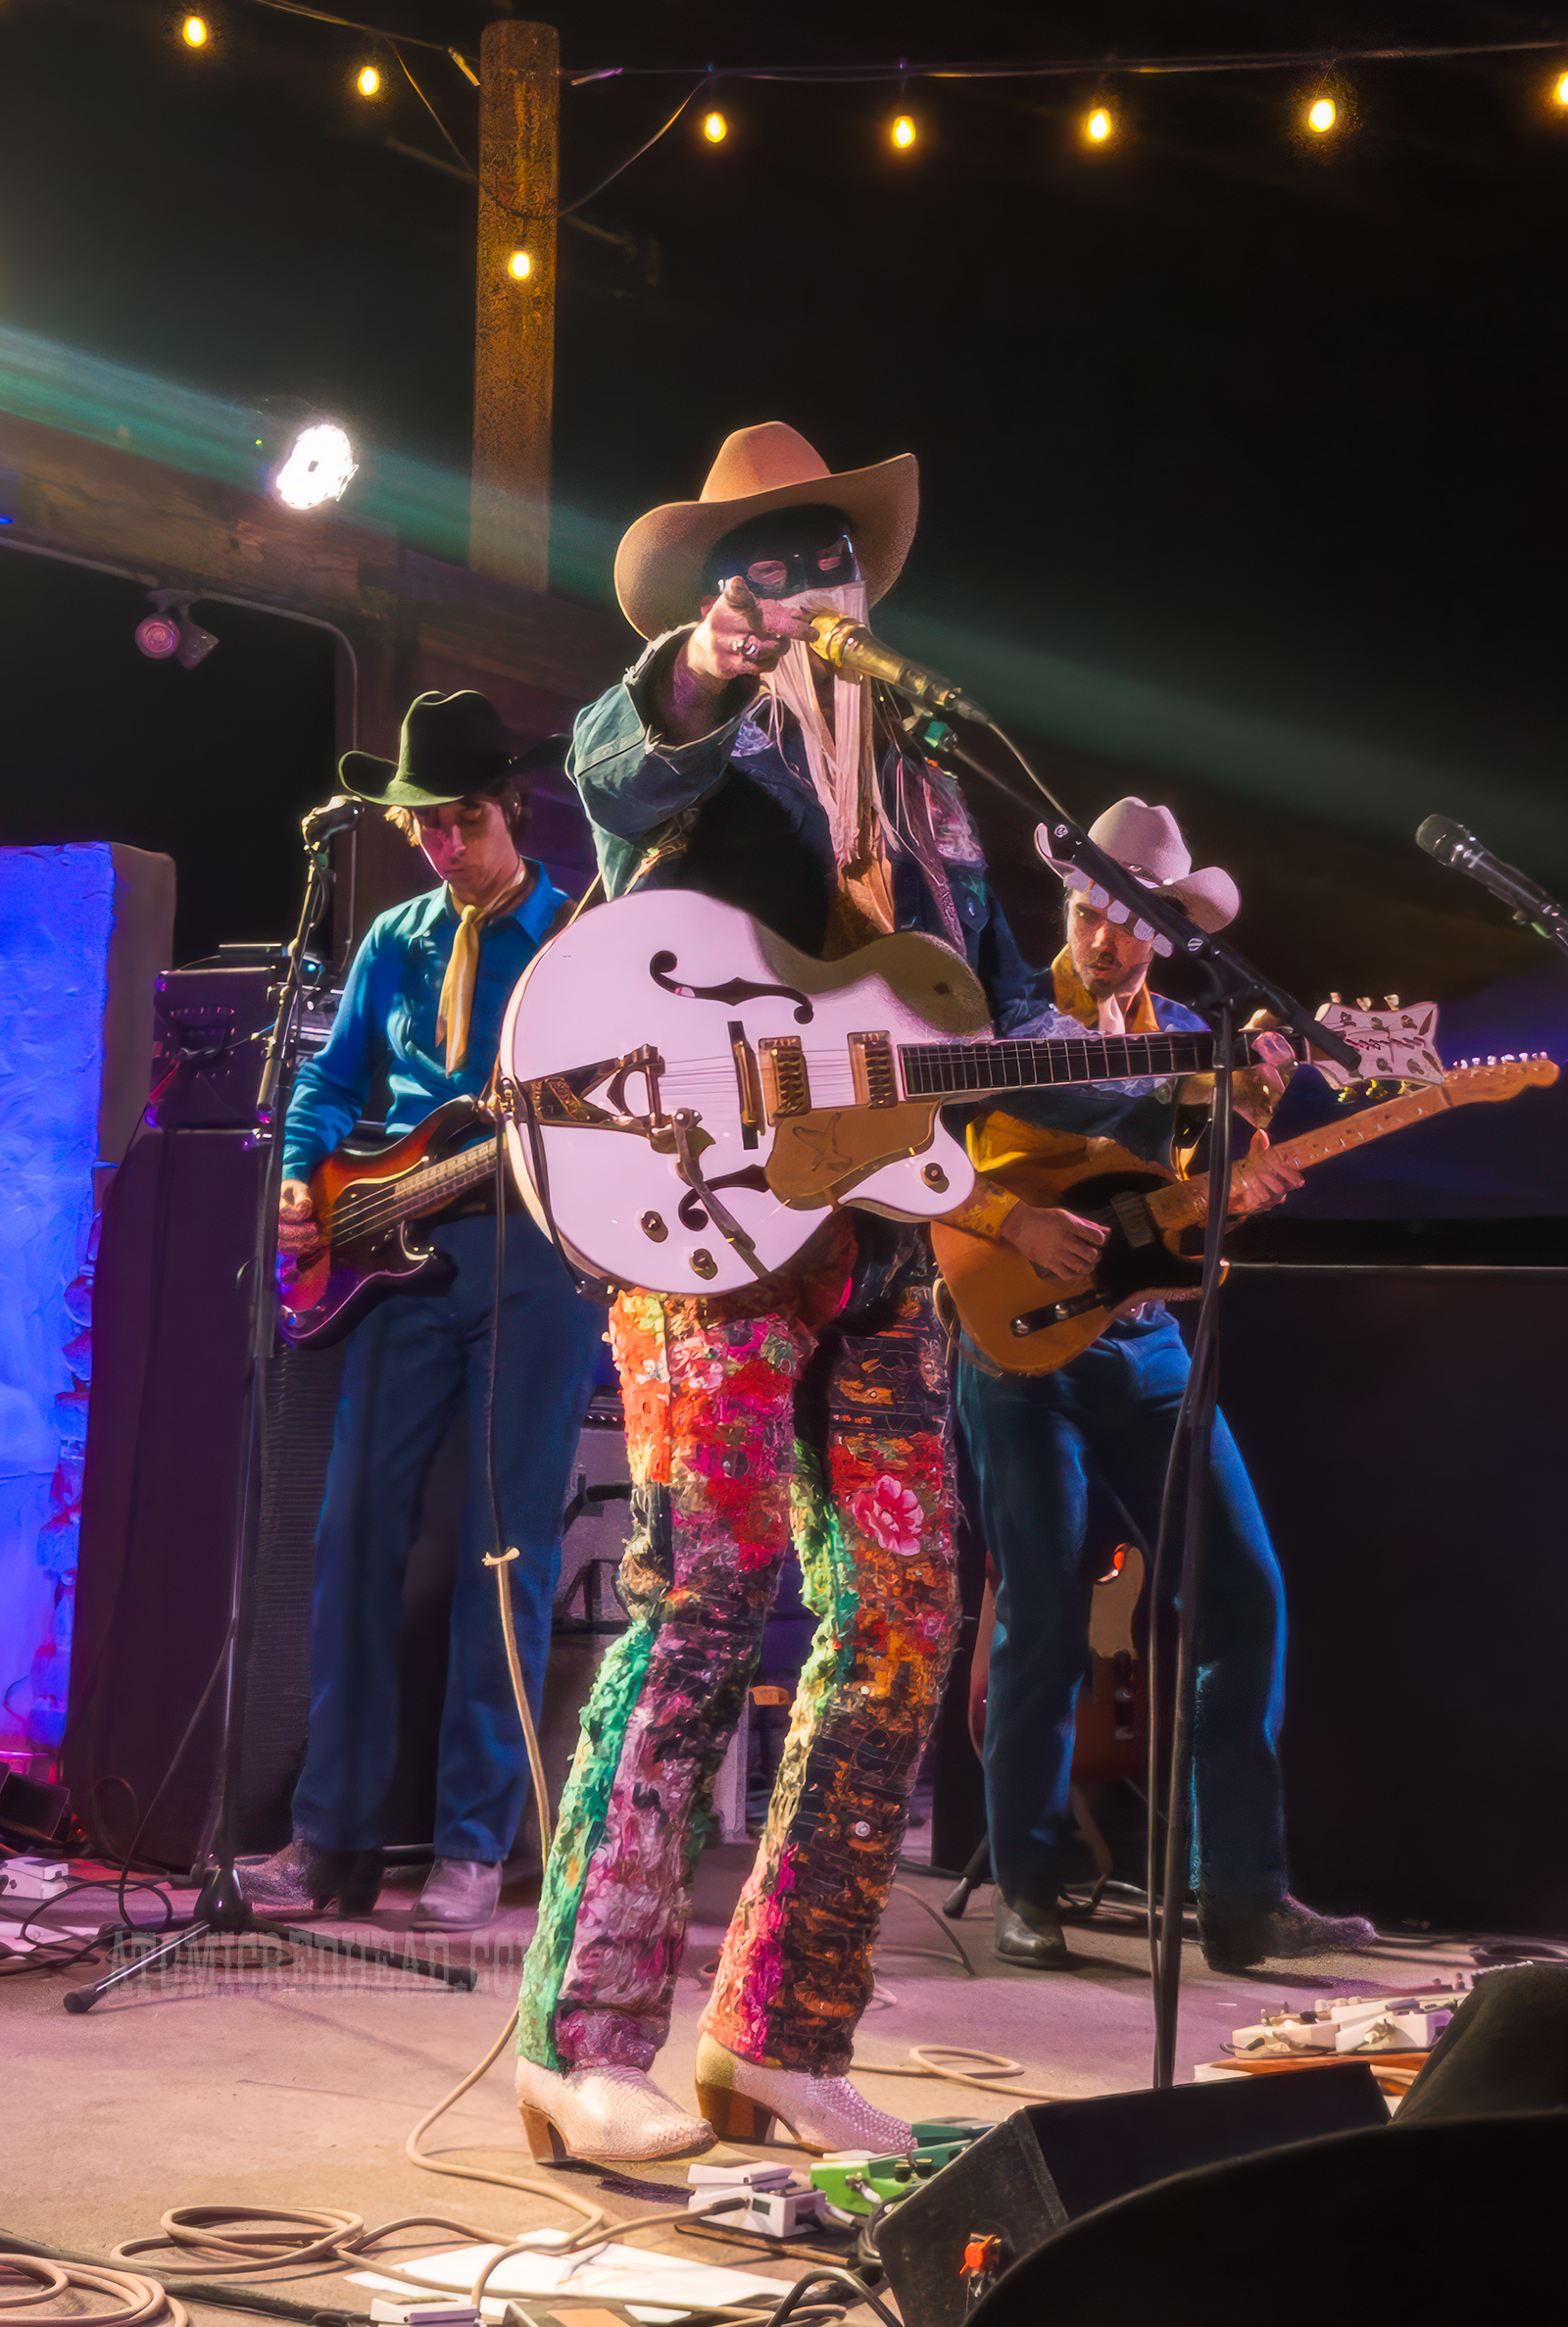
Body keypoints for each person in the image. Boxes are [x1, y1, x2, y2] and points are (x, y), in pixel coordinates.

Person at [513, 421, 1064, 2164]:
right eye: (767, 561)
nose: (808, 584)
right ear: (715, 589)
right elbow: (616, 775)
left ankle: (778, 2039)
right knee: (702, 1591)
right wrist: (701, 667)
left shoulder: (929, 782)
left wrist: (1183, 1055)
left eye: (828, 556)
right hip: (708, 1212)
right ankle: (580, 2043)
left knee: (905, 1610)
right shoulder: (688, 721)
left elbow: (993, 1018)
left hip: (881, 1243)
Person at [954, 796, 1378, 1973]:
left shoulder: (1197, 1033)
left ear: (1168, 931)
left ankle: (1239, 1896)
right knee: (1043, 1619)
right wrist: (1012, 1221)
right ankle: (1028, 1890)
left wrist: (1251, 1142)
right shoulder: (1005, 1013)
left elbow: (1185, 1203)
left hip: (1143, 1345)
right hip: (1011, 1340)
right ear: (1067, 900)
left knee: (1244, 1594)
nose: (1105, 938)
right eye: (1090, 910)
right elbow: (922, 1158)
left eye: (1131, 919)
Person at [239, 691, 603, 1934]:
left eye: (462, 823)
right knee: (351, 1540)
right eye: (425, 828)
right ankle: (327, 1839)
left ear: (511, 808)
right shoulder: (396, 937)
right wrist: (302, 1178)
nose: (443, 846)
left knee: (506, 1552)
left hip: (534, 1259)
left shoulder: (576, 938)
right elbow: (330, 1083)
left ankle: (471, 1846)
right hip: (390, 1254)